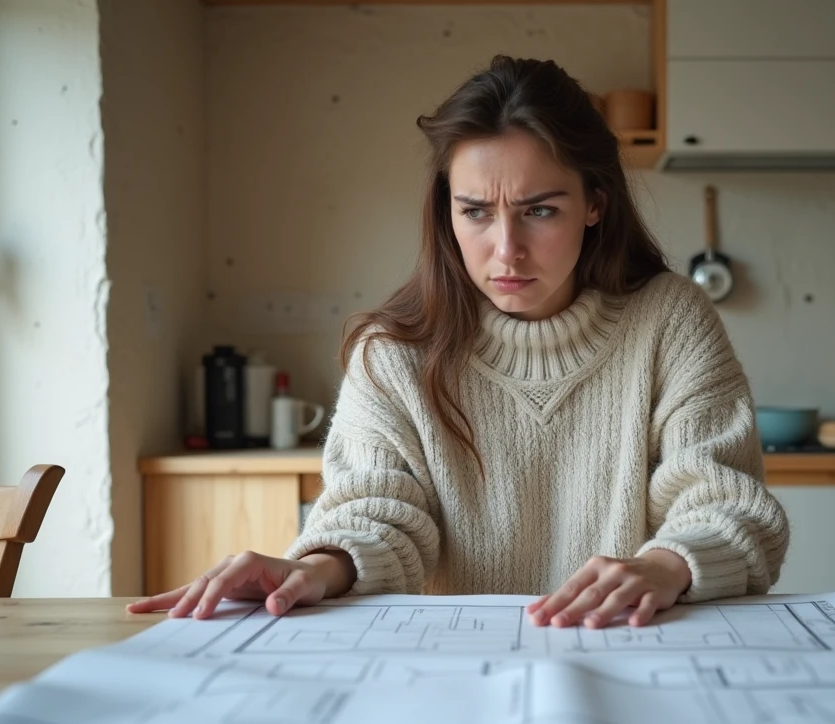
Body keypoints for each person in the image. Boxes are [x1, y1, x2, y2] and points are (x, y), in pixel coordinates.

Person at [128, 55, 789, 629]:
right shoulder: (391, 354)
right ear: (447, 209)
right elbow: (378, 515)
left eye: (540, 210)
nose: (506, 249)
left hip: (635, 649)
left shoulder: (670, 321)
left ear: (596, 204)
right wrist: (317, 566)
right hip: (457, 675)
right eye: (475, 211)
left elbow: (727, 503)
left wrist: (666, 565)